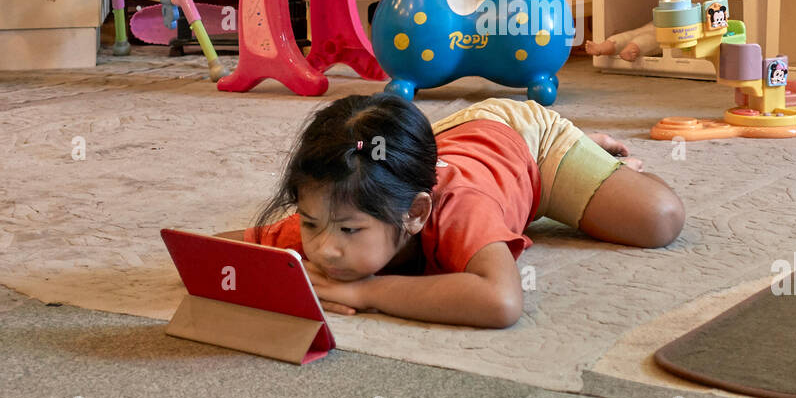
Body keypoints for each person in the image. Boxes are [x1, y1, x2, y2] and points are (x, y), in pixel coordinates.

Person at [222, 94, 684, 329]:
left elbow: (500, 302)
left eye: (348, 230)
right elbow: (212, 256)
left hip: (529, 144)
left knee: (658, 219)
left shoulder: (458, 208)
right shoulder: (337, 207)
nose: (325, 249)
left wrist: (368, 292)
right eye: (308, 223)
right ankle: (595, 165)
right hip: (439, 142)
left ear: (416, 214)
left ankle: (601, 158)